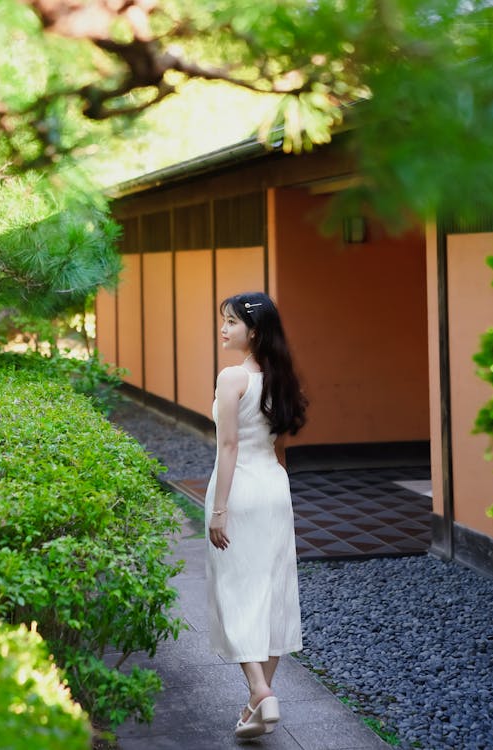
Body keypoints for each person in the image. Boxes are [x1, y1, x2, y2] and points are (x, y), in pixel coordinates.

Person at [205, 291, 307, 739]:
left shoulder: (232, 378)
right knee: (273, 590)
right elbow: (279, 449)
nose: (223, 329)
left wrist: (219, 510)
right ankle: (255, 705)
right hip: (274, 487)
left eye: (230, 322)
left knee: (237, 589)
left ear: (255, 332)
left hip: (240, 488)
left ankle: (261, 693)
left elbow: (228, 447)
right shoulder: (283, 379)